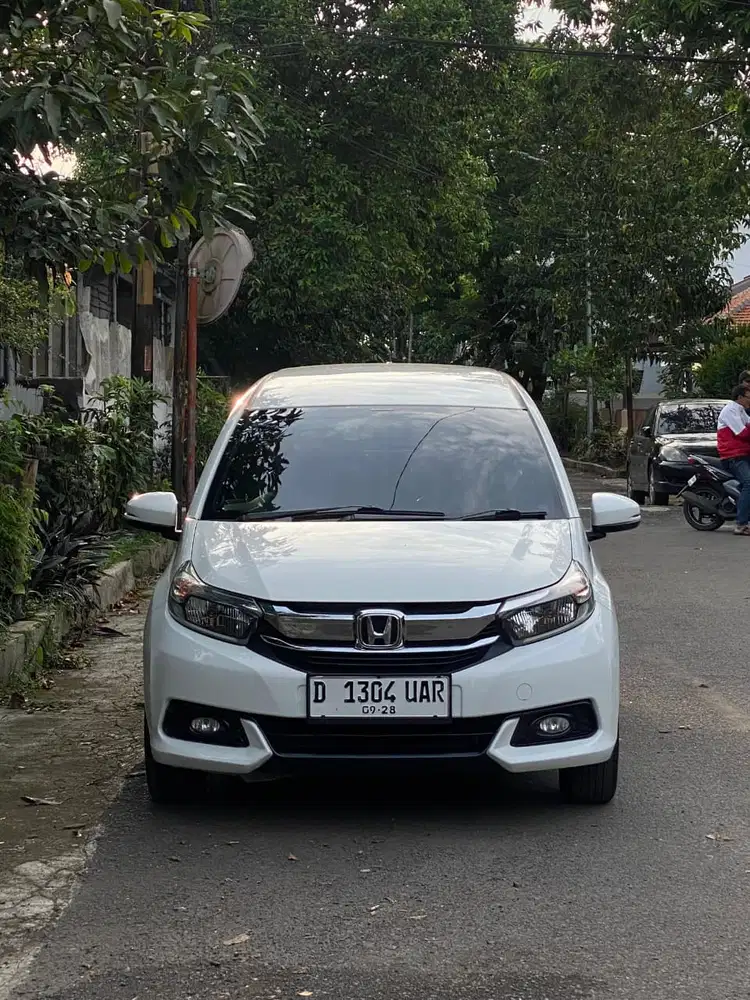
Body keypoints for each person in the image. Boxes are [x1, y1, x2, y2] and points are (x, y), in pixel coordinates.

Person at [717, 384, 750, 535]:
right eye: (749, 397)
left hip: (744, 454)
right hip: (733, 456)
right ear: (740, 397)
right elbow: (742, 433)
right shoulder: (730, 410)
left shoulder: (741, 410)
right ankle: (741, 524)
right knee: (749, 483)